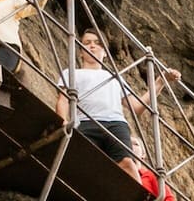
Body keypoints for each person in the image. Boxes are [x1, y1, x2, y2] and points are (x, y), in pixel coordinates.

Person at [56, 32, 179, 184]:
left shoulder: (115, 77)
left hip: (116, 123)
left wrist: (160, 81)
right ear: (80, 51)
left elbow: (136, 107)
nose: (92, 45)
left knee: (127, 164)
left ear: (105, 52)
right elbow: (63, 100)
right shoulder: (71, 73)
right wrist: (63, 121)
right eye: (86, 42)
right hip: (86, 121)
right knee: (83, 162)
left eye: (97, 43)